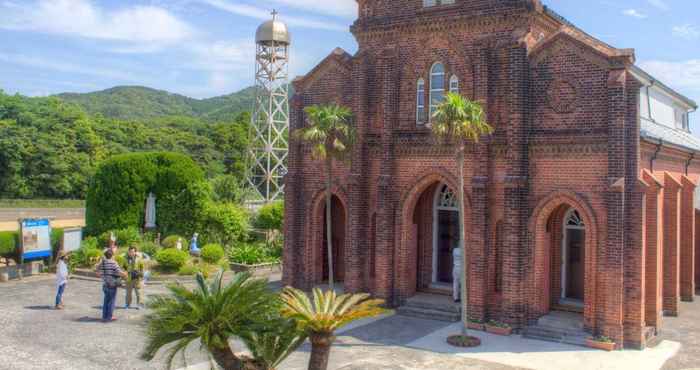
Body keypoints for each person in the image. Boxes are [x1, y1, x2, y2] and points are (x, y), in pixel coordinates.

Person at [95, 249, 126, 322]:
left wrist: (101, 275)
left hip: (105, 284)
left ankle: (104, 316)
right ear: (112, 255)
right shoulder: (113, 263)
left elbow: (96, 269)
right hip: (112, 284)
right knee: (111, 301)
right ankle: (109, 316)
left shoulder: (102, 263)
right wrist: (125, 274)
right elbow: (119, 272)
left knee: (106, 300)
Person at [124, 245, 146, 309]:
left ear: (135, 252)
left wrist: (141, 274)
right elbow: (123, 267)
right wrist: (124, 274)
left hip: (137, 278)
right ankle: (127, 304)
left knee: (138, 292)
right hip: (129, 278)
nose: (131, 253)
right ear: (128, 252)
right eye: (130, 251)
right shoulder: (125, 259)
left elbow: (142, 267)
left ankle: (139, 305)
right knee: (128, 293)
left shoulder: (139, 258)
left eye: (133, 251)